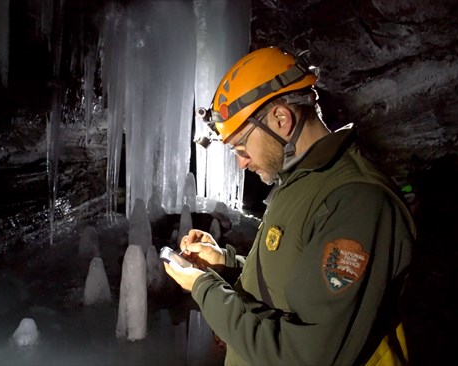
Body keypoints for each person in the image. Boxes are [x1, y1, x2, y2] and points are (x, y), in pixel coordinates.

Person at [163, 46, 415, 365]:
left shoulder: (358, 201)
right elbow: (291, 284)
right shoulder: (298, 180)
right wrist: (224, 266)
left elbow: (302, 355)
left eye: (241, 146)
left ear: (281, 118)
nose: (241, 163)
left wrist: (204, 287)